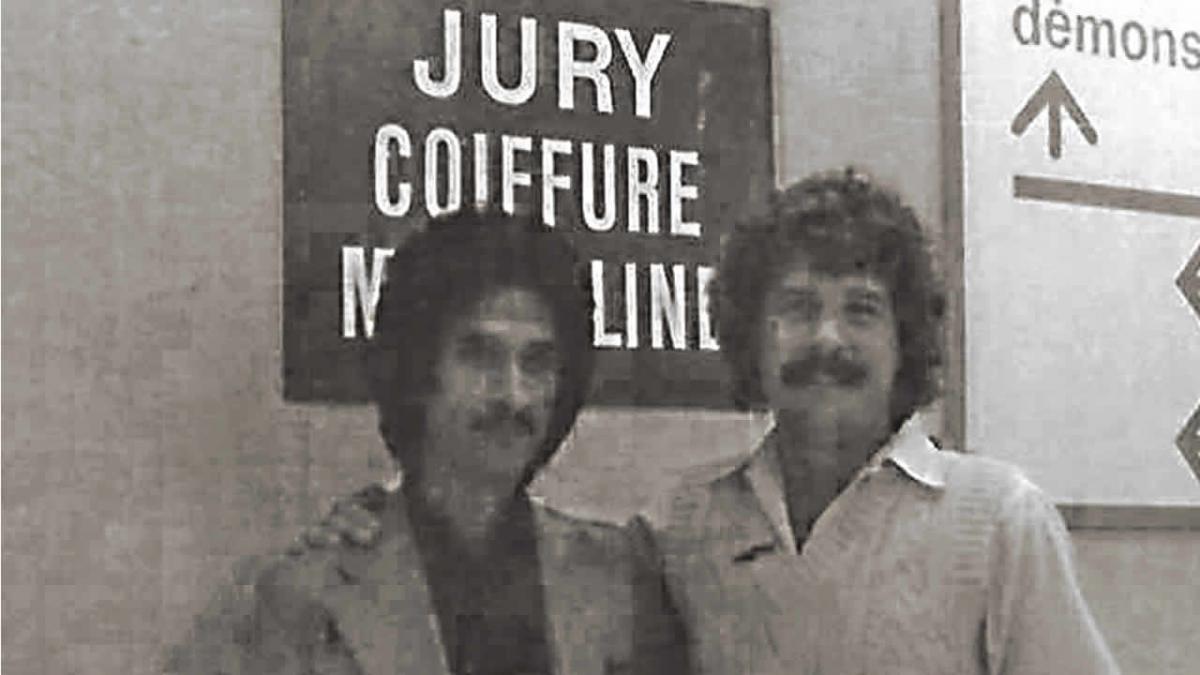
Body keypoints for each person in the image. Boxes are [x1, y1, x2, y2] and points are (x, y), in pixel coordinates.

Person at [629, 168, 1119, 673]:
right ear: (750, 337)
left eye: (861, 311)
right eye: (797, 309)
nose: (827, 338)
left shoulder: (1000, 521)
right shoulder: (677, 527)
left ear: (905, 342)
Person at [165, 210, 635, 675]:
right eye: (479, 356)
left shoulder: (617, 579)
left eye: (537, 362)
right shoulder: (301, 595)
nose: (513, 395)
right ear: (417, 369)